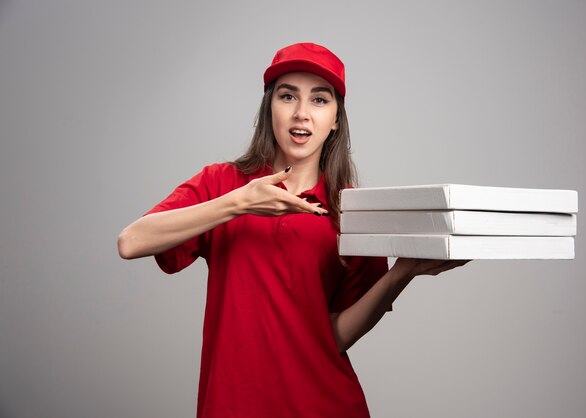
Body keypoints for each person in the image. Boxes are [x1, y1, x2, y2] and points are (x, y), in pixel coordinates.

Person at [118, 42, 468, 418]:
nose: (302, 113)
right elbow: (131, 241)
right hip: (233, 405)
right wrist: (240, 203)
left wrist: (403, 272)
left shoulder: (350, 209)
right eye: (288, 96)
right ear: (270, 109)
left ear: (335, 119)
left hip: (325, 405)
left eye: (320, 100)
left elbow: (333, 336)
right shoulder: (222, 183)